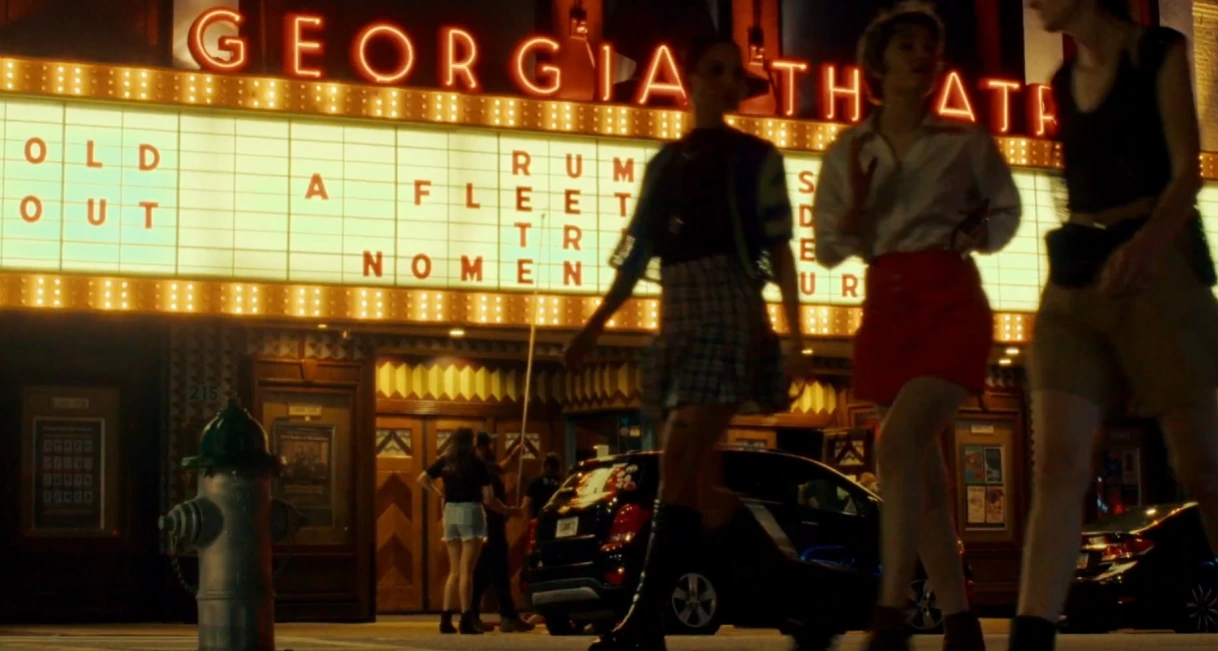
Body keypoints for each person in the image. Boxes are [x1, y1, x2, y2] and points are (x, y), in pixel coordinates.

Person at [563, 31, 818, 651]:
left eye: (735, 73)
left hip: (729, 311)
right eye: (716, 69)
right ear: (692, 78)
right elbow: (635, 257)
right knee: (704, 492)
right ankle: (807, 608)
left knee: (678, 461)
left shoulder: (757, 157)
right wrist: (592, 328)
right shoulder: (665, 165)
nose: (727, 81)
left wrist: (795, 334)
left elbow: (781, 249)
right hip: (678, 316)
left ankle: (643, 621)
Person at [812, 3, 1022, 650]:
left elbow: (1007, 211)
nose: (922, 56)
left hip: (950, 299)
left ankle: (890, 614)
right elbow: (827, 245)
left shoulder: (964, 142)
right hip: (886, 307)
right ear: (878, 61)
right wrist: (854, 221)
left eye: (929, 47)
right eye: (907, 45)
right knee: (923, 477)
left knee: (898, 443)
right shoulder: (849, 150)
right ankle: (960, 622)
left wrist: (974, 233)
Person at [1015, 1, 1218, 648]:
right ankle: (1030, 633)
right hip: (1078, 276)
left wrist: (1149, 244)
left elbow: (1186, 170)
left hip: (1157, 267)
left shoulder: (1158, 53)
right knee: (1057, 464)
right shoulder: (1061, 81)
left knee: (1201, 463)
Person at [417, 428, 493, 634]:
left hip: (449, 512)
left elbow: (422, 479)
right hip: (471, 511)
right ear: (471, 441)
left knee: (454, 571)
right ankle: (466, 619)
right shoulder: (476, 462)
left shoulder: (445, 460)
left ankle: (445, 618)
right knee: (467, 570)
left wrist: (437, 493)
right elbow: (488, 495)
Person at [468, 432, 535, 633]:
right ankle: (507, 616)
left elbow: (500, 467)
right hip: (490, 527)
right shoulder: (481, 469)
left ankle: (474, 615)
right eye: (489, 445)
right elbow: (490, 501)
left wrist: (514, 454)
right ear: (481, 447)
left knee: (482, 574)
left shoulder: (484, 467)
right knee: (498, 572)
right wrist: (509, 511)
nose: (492, 448)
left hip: (486, 528)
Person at [523, 452, 565, 519]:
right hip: (557, 521)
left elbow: (526, 505)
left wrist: (526, 521)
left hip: (539, 520)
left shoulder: (536, 482)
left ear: (546, 466)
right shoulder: (563, 484)